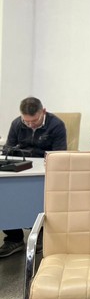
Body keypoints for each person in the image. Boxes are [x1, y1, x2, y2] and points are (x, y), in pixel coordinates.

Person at [0, 97, 67, 258]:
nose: (30, 125)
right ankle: (14, 238)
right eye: (27, 121)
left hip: (43, 172)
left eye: (34, 121)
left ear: (43, 112)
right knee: (6, 193)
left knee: (36, 196)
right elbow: (8, 149)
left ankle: (40, 232)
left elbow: (59, 155)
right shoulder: (17, 123)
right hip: (20, 168)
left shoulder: (56, 125)